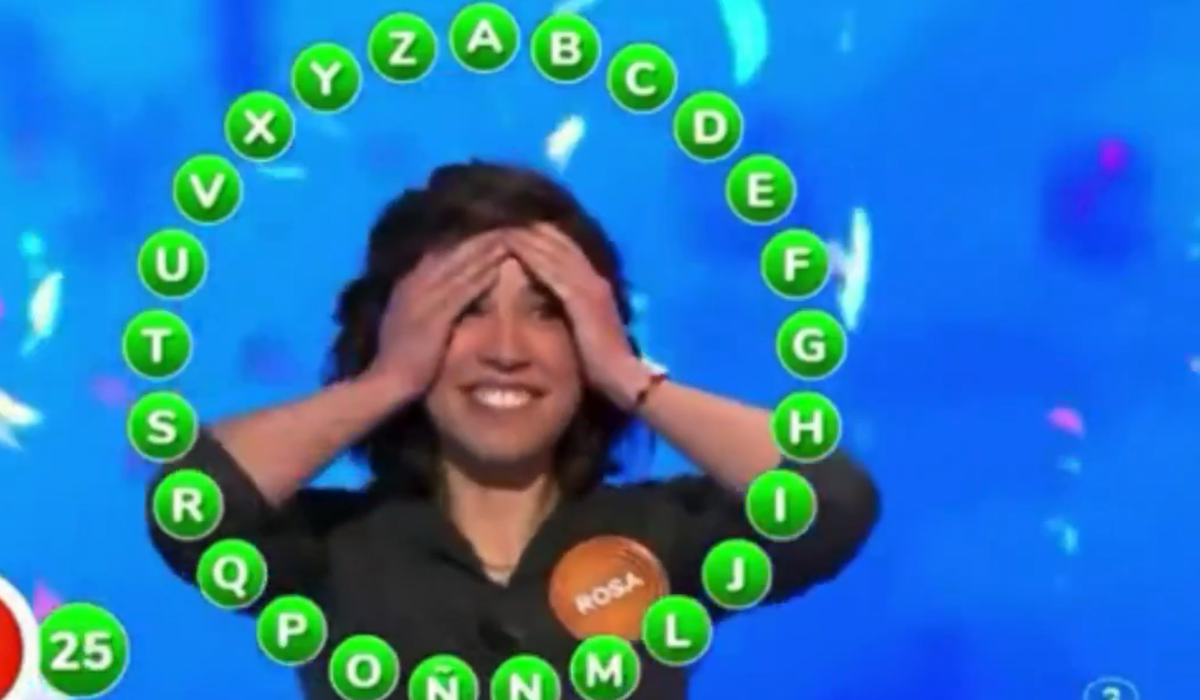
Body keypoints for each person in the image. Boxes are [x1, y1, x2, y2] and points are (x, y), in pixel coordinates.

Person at [147, 161, 880, 700]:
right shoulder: (336, 549)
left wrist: (626, 376)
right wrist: (386, 378)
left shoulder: (663, 537)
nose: (506, 349)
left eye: (548, 311)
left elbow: (831, 498)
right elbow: (191, 501)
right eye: (464, 311)